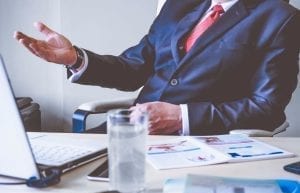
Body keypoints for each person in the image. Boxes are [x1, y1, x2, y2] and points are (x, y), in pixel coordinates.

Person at [14, 0, 300, 135]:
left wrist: (182, 118)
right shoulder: (179, 5)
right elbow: (134, 68)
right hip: (133, 130)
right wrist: (76, 58)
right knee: (52, 172)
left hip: (203, 140)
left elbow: (266, 106)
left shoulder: (280, 18)